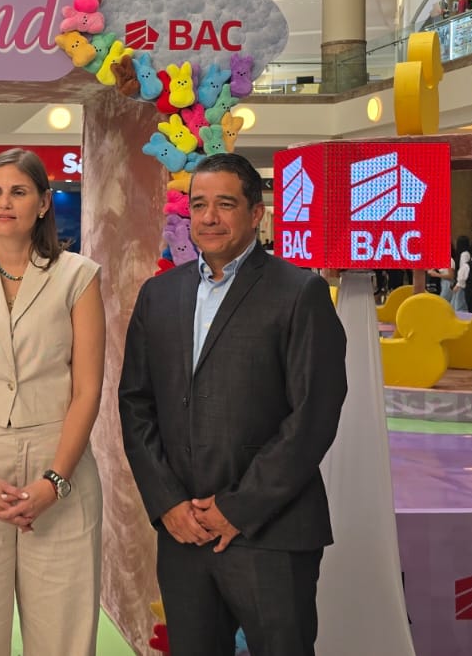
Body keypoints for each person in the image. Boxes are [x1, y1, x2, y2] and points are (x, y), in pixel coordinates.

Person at [119, 152, 348, 656]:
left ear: (256, 213)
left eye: (225, 204)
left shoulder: (300, 292)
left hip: (271, 533)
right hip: (182, 534)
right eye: (199, 205)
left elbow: (313, 415)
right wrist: (168, 503)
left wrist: (237, 508)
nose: (209, 217)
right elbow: (136, 403)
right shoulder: (159, 294)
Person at [0, 147, 105, 654]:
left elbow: (87, 388)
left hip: (58, 462)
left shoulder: (78, 276)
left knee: (63, 636)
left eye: (19, 192)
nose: (4, 203)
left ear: (44, 203)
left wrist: (55, 482)